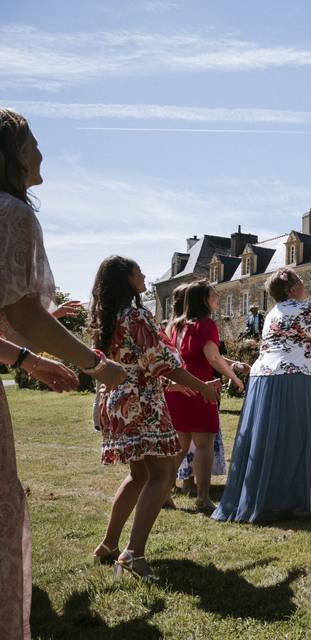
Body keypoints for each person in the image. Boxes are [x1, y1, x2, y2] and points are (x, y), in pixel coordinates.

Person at [0, 107, 126, 638]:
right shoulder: (13, 213)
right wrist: (95, 364)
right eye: (33, 141)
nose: (42, 150)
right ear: (13, 154)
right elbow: (23, 314)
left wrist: (30, 360)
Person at [88, 256, 219, 582]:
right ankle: (134, 553)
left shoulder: (107, 317)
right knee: (161, 474)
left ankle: (108, 543)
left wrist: (176, 385)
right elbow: (162, 362)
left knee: (139, 475)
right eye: (138, 272)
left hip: (117, 402)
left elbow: (136, 365)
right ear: (127, 280)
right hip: (142, 404)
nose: (144, 275)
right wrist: (201, 387)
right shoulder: (135, 316)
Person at [214, 268, 311, 523]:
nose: (303, 282)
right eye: (299, 280)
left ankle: (269, 498)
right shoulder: (307, 309)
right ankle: (300, 499)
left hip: (264, 379)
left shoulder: (271, 314)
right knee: (302, 438)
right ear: (291, 290)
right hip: (298, 377)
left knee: (270, 440)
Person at [165, 281, 245, 513]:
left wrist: (232, 367)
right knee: (204, 443)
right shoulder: (206, 324)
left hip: (178, 389)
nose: (218, 299)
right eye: (214, 296)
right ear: (204, 300)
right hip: (201, 388)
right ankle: (203, 497)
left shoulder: (175, 326)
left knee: (180, 444)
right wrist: (235, 378)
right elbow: (213, 357)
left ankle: (163, 491)